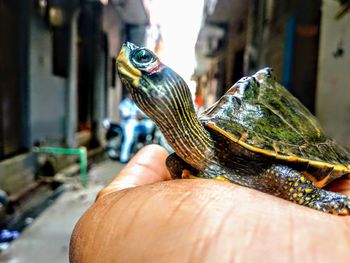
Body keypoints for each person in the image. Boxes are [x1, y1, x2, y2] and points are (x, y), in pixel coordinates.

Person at [69, 145, 350, 263]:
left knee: (276, 174)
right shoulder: (183, 159)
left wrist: (314, 198)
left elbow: (279, 173)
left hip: (284, 165)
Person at [118, 94, 154, 163]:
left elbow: (142, 112)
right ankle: (124, 158)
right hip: (128, 124)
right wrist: (135, 115)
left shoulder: (135, 103)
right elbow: (125, 114)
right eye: (131, 95)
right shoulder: (124, 103)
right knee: (129, 140)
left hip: (138, 123)